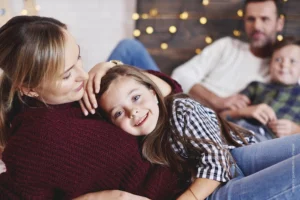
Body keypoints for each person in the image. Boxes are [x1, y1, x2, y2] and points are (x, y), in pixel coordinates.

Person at [0, 16, 187, 199]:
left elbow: (173, 91)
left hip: (187, 165)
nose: (83, 74)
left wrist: (110, 68)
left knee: (128, 48)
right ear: (29, 89)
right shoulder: (31, 144)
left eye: (78, 58)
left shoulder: (81, 91)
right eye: (66, 75)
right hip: (184, 187)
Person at [97, 64, 300, 200]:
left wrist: (107, 65)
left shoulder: (181, 109)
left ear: (153, 93)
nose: (133, 112)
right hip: (213, 191)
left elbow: (217, 160)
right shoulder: (139, 141)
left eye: (135, 98)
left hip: (233, 156)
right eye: (118, 113)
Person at [171, 0, 284, 112]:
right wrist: (218, 101)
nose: (257, 26)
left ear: (279, 23)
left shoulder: (285, 69)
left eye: (265, 19)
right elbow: (179, 76)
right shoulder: (227, 46)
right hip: (188, 111)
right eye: (251, 19)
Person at [221, 38, 300, 140]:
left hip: (272, 143)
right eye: (278, 59)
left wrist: (296, 130)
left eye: (292, 61)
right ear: (270, 64)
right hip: (239, 130)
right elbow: (223, 115)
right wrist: (245, 111)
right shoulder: (256, 86)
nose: (284, 65)